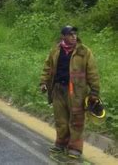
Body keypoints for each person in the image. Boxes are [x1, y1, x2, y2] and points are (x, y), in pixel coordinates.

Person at [39, 25, 100, 159]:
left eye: (75, 34)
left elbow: (93, 73)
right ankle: (60, 144)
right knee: (60, 119)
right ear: (63, 36)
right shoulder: (55, 50)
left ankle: (75, 148)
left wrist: (94, 92)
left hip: (77, 92)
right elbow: (47, 67)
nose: (74, 37)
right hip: (58, 90)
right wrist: (44, 83)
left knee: (76, 120)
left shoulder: (84, 52)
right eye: (70, 34)